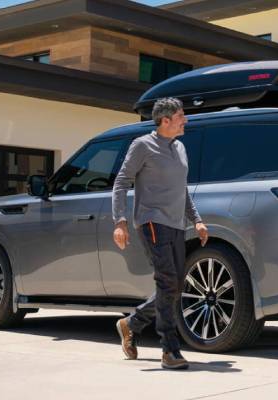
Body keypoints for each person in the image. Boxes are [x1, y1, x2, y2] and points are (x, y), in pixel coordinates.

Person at [111, 97, 209, 370]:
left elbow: (181, 189)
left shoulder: (180, 148)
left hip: (177, 224)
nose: (185, 120)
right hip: (152, 221)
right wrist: (119, 221)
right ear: (165, 120)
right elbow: (121, 182)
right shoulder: (142, 145)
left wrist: (197, 220)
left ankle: (131, 324)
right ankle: (170, 349)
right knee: (168, 282)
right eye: (181, 116)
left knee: (174, 286)